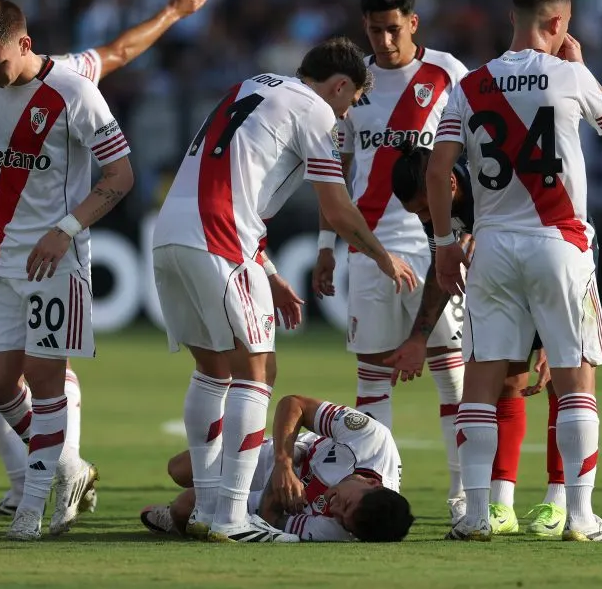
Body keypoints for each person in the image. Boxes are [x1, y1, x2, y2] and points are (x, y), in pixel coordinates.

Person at [0, 0, 212, 516]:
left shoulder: (68, 83)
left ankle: (37, 486)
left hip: (46, 240)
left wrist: (172, 15)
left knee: (43, 371)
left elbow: (119, 53)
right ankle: (61, 467)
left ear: (24, 44)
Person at [152, 36, 416, 543]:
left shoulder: (250, 85)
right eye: (353, 101)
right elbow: (338, 209)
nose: (348, 114)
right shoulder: (315, 111)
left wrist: (270, 272)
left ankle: (209, 506)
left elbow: (235, 182)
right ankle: (229, 514)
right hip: (220, 237)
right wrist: (384, 257)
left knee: (211, 371)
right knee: (258, 370)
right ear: (339, 86)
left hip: (171, 234)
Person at [428, 0, 602, 542]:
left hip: (491, 245)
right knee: (576, 380)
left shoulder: (467, 87)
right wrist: (581, 65)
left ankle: (474, 517)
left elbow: (440, 169)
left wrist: (446, 244)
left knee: (482, 383)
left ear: (511, 18)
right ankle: (580, 516)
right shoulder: (570, 76)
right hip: (559, 242)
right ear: (560, 22)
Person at [0, 0, 134, 541]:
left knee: (44, 382)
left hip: (54, 260)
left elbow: (120, 176)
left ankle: (29, 514)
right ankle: (68, 469)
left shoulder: (75, 94)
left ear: (25, 42)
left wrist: (64, 229)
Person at [310, 0, 469, 524]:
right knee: (372, 380)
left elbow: (475, 155)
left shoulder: (449, 74)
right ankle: (379, 491)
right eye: (375, 31)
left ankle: (463, 497)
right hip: (369, 245)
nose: (384, 41)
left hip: (435, 244)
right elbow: (336, 166)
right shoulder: (355, 84)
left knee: (453, 375)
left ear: (413, 23)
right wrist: (328, 244)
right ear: (364, 27)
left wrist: (468, 228)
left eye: (394, 29)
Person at [389, 146, 592, 536]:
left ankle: (559, 502)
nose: (425, 219)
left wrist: (555, 337)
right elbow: (441, 269)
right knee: (508, 380)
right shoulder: (438, 204)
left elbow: (550, 248)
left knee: (561, 383)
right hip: (510, 272)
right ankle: (501, 504)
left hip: (559, 255)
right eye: (418, 213)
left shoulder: (498, 190)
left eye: (426, 210)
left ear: (449, 182)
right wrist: (418, 338)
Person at [141, 395, 413, 542]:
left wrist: (276, 491)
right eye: (347, 503)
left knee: (183, 509)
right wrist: (284, 464)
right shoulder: (373, 439)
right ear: (372, 484)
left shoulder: (340, 530)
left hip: (278, 486)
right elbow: (294, 404)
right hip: (278, 456)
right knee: (179, 470)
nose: (335, 508)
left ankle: (176, 523)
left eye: (342, 517)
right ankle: (244, 445)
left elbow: (270, 519)